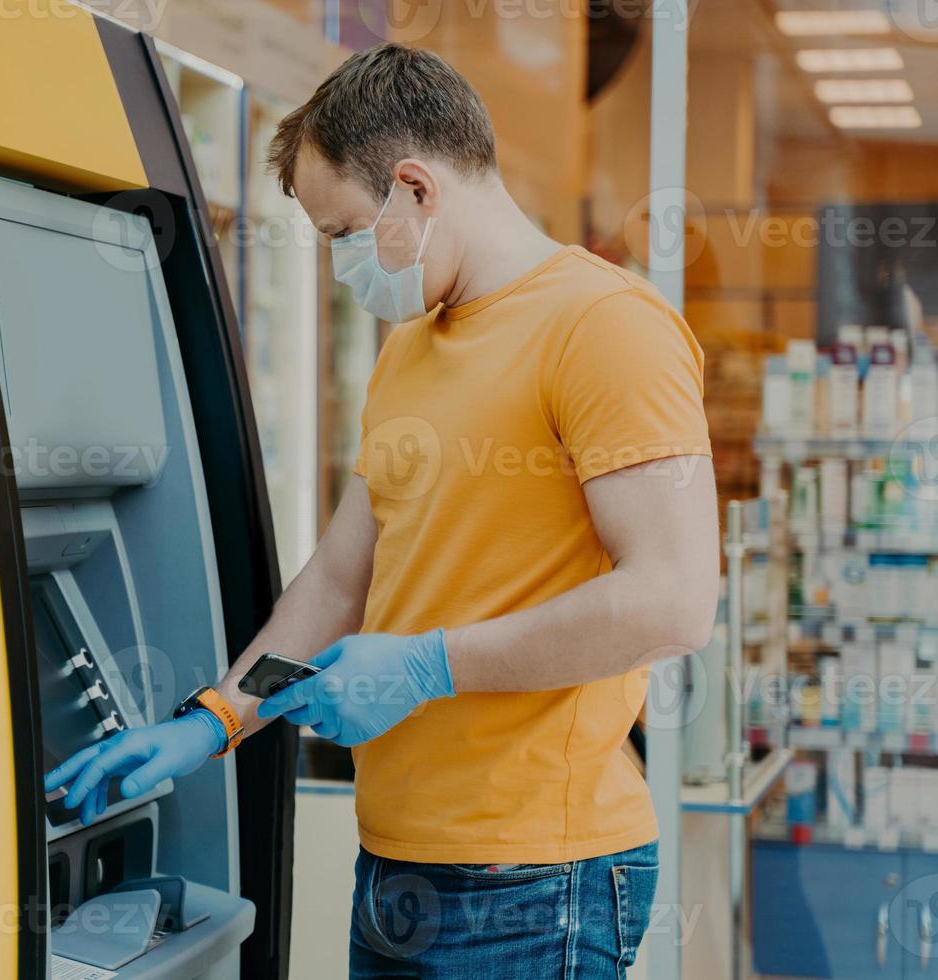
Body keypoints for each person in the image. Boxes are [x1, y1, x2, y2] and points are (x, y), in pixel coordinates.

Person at [45, 42, 717, 978]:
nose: (338, 266)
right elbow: (339, 576)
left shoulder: (605, 328)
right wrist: (214, 721)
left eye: (341, 234)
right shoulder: (411, 349)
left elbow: (672, 601)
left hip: (533, 880)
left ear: (415, 187)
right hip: (398, 863)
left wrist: (426, 666)